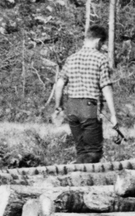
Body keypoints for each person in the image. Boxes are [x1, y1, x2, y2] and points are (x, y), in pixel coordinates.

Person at [50, 25, 119, 164]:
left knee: (81, 151)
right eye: (102, 44)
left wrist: (58, 107)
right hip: (89, 108)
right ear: (98, 41)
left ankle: (78, 176)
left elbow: (59, 85)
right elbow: (106, 87)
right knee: (94, 152)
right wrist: (113, 114)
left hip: (72, 108)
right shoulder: (101, 59)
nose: (102, 47)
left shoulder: (71, 59)